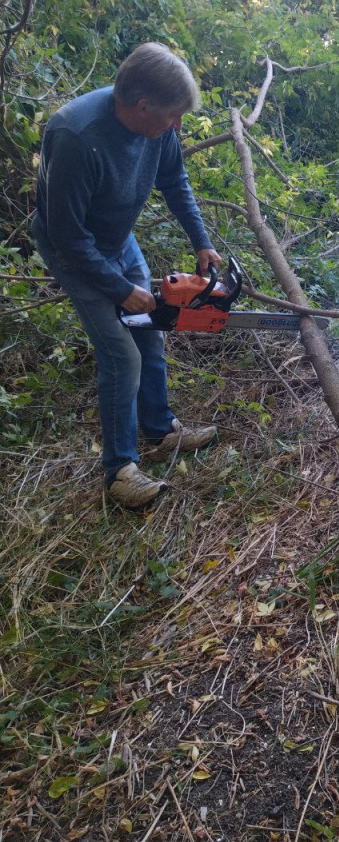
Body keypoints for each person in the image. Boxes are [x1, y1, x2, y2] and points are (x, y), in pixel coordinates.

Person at [32, 42, 223, 509]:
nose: (177, 125)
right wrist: (120, 290)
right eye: (173, 116)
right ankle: (118, 471)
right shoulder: (77, 136)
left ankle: (159, 430)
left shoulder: (158, 130)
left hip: (118, 239)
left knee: (149, 334)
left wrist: (202, 242)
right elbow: (68, 236)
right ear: (142, 107)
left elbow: (175, 181)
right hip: (72, 248)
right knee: (121, 353)